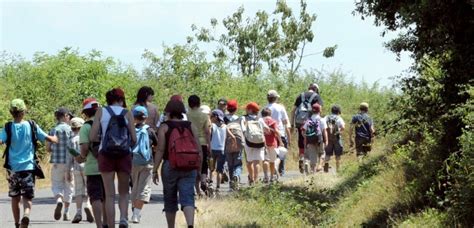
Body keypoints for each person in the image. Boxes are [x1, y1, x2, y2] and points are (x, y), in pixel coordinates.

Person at [0, 99, 58, 228]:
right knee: (27, 197)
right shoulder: (32, 125)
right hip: (28, 167)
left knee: (15, 197)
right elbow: (47, 138)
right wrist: (55, 139)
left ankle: (16, 223)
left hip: (12, 168)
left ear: (11, 112)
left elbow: (0, 140)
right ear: (24, 111)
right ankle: (26, 214)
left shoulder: (8, 127)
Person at [89, 88, 137, 228]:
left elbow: (92, 137)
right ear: (121, 99)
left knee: (109, 195)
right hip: (124, 154)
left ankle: (111, 225)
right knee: (123, 192)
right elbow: (134, 138)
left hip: (106, 154)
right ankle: (123, 218)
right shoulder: (127, 113)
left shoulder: (101, 111)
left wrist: (101, 137)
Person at [152, 99, 203, 228]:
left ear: (168, 112)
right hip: (189, 165)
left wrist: (155, 169)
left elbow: (160, 150)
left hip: (170, 165)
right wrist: (199, 169)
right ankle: (190, 224)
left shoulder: (164, 127)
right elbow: (199, 149)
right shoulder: (190, 126)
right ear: (182, 112)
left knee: (170, 199)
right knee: (188, 198)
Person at [75, 98, 108, 228]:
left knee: (95, 197)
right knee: (107, 196)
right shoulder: (106, 124)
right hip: (108, 166)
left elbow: (84, 149)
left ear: (86, 112)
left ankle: (99, 225)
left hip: (93, 167)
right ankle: (107, 222)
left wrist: (80, 157)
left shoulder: (86, 127)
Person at [130, 106, 158, 224]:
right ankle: (136, 214)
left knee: (134, 187)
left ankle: (134, 210)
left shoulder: (130, 130)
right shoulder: (150, 131)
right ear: (146, 117)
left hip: (132, 162)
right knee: (144, 188)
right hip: (147, 163)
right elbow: (156, 146)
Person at [48, 107, 74, 221]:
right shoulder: (71, 130)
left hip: (57, 163)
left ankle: (59, 200)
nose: (69, 117)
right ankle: (66, 212)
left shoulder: (53, 130)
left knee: (57, 184)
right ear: (64, 116)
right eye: (68, 115)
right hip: (69, 163)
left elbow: (48, 148)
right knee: (69, 186)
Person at [291, 83, 324, 174]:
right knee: (312, 141)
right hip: (310, 122)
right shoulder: (316, 96)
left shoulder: (300, 96)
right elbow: (319, 109)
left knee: (301, 141)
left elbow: (293, 110)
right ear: (316, 89)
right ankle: (309, 161)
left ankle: (302, 157)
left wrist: (292, 124)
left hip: (299, 122)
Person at [68, 117, 94, 224]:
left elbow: (69, 157)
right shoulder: (85, 137)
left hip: (76, 167)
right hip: (87, 166)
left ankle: (78, 212)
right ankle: (88, 204)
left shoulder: (70, 141)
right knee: (89, 188)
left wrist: (68, 170)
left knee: (78, 191)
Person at [186, 95, 211, 196]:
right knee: (204, 164)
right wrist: (209, 145)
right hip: (202, 142)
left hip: (190, 143)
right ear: (199, 103)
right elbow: (207, 131)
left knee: (193, 166)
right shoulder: (204, 116)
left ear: (189, 104)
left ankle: (197, 191)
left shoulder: (187, 115)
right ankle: (204, 181)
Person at [262, 90, 291, 176]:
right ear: (275, 98)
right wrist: (288, 135)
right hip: (280, 133)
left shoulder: (264, 108)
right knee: (281, 153)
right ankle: (280, 170)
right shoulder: (280, 108)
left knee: (270, 154)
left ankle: (272, 171)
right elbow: (285, 122)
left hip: (267, 135)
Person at [242, 102, 267, 185]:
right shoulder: (260, 119)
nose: (245, 110)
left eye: (246, 109)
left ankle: (251, 178)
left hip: (248, 142)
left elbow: (243, 129)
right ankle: (256, 180)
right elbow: (266, 129)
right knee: (257, 162)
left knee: (249, 161)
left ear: (250, 110)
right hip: (259, 142)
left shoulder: (244, 118)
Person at [210, 109, 234, 191]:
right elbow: (232, 137)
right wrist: (232, 145)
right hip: (222, 150)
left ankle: (210, 183)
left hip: (212, 150)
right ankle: (218, 187)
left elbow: (208, 136)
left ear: (216, 117)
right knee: (219, 170)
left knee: (211, 168)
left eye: (211, 116)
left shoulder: (212, 126)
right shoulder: (225, 126)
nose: (210, 118)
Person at [301, 103, 328, 174]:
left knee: (313, 156)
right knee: (322, 153)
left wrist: (306, 138)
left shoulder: (308, 120)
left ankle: (312, 171)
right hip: (319, 140)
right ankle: (320, 165)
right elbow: (324, 131)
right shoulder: (321, 120)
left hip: (310, 140)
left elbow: (303, 131)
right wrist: (326, 140)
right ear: (320, 110)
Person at [224, 99, 244, 190]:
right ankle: (236, 175)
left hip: (227, 145)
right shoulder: (240, 118)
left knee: (230, 164)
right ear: (236, 109)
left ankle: (231, 183)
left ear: (227, 108)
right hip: (238, 145)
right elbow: (244, 130)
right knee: (238, 164)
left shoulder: (223, 118)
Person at [261, 108, 284, 183]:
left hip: (263, 144)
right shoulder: (273, 121)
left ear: (262, 114)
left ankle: (265, 176)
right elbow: (277, 132)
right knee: (272, 161)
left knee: (265, 160)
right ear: (270, 114)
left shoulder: (261, 121)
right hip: (273, 143)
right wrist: (280, 141)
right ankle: (271, 177)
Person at [323, 105, 345, 172]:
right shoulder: (339, 118)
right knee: (338, 154)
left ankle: (326, 165)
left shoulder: (326, 117)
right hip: (337, 138)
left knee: (327, 154)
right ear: (338, 111)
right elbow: (343, 127)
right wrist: (338, 132)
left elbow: (323, 126)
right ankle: (338, 169)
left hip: (328, 138)